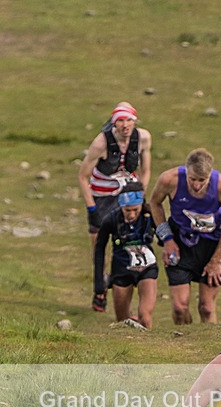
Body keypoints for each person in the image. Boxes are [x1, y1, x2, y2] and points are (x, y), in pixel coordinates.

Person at [78, 102, 152, 312]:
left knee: (131, 239)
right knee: (98, 245)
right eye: (120, 120)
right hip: (101, 196)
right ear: (114, 123)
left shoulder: (143, 138)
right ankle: (99, 289)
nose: (125, 125)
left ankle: (128, 282)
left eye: (129, 120)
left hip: (127, 193)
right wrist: (92, 208)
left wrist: (140, 194)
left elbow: (146, 170)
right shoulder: (101, 143)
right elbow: (83, 176)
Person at [149, 148, 221, 324]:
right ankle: (184, 343)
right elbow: (154, 203)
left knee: (207, 307)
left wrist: (216, 260)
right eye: (192, 180)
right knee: (179, 308)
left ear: (210, 175)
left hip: (210, 245)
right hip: (179, 242)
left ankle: (208, 346)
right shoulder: (169, 179)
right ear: (186, 171)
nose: (196, 185)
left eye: (202, 180)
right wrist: (167, 239)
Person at [93, 182, 158, 330]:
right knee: (123, 322)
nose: (131, 215)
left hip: (147, 269)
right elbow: (99, 250)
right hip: (121, 270)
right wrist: (99, 285)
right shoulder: (111, 219)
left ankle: (149, 347)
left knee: (144, 316)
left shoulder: (150, 215)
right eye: (127, 210)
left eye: (135, 210)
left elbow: (167, 235)